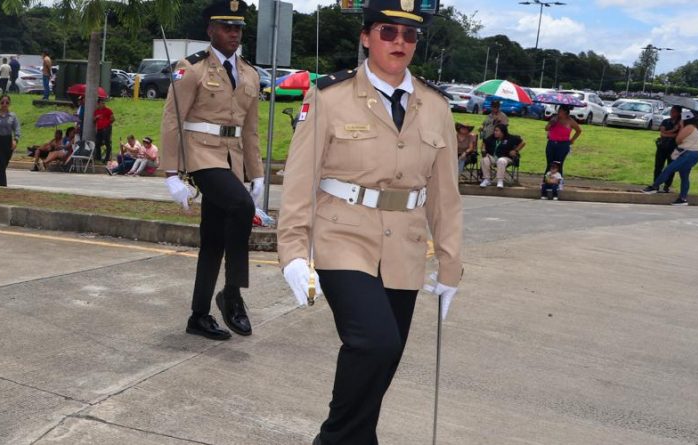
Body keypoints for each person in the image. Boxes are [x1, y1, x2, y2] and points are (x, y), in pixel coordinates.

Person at [276, 0, 463, 443]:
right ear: (365, 37)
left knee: (383, 363)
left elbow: (445, 195)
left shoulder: (436, 107)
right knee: (375, 342)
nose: (400, 42)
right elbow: (300, 180)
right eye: (387, 31)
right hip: (342, 236)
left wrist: (451, 265)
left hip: (405, 246)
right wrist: (293, 252)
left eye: (410, 34)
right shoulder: (329, 96)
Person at [160, 0, 264, 341]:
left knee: (214, 239)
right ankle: (232, 294)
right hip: (201, 154)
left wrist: (257, 173)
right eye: (226, 27)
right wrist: (171, 174)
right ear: (211, 30)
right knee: (242, 206)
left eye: (238, 28)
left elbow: (250, 129)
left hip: (232, 159)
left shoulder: (249, 73)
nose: (233, 33)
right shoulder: (192, 69)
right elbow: (172, 119)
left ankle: (199, 316)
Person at [643, 109, 698, 206]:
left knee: (669, 169)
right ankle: (683, 198)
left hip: (687, 154)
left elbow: (678, 140)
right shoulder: (695, 127)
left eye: (681, 119)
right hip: (691, 154)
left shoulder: (688, 127)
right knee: (684, 177)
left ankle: (654, 187)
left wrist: (681, 127)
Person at [480, 124, 524, 188]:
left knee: (501, 160)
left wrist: (515, 150)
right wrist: (484, 149)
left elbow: (523, 142)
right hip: (493, 157)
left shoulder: (511, 138)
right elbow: (484, 142)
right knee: (484, 160)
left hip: (506, 158)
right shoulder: (492, 137)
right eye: (494, 130)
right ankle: (487, 179)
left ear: (502, 132)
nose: (495, 132)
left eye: (497, 131)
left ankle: (500, 180)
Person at [544, 105, 581, 178]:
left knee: (558, 164)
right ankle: (546, 181)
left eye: (560, 111)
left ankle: (558, 181)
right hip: (552, 143)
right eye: (558, 110)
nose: (558, 112)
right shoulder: (554, 119)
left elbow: (578, 131)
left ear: (565, 112)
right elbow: (546, 128)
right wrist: (551, 123)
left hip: (563, 145)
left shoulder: (570, 121)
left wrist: (572, 140)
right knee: (550, 163)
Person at [654, 106, 682, 193]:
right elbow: (662, 132)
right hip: (662, 146)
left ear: (678, 113)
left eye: (674, 111)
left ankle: (667, 185)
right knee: (658, 166)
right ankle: (656, 184)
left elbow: (678, 135)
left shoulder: (681, 123)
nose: (671, 113)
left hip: (673, 148)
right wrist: (673, 130)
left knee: (671, 167)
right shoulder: (666, 121)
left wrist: (667, 133)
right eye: (671, 111)